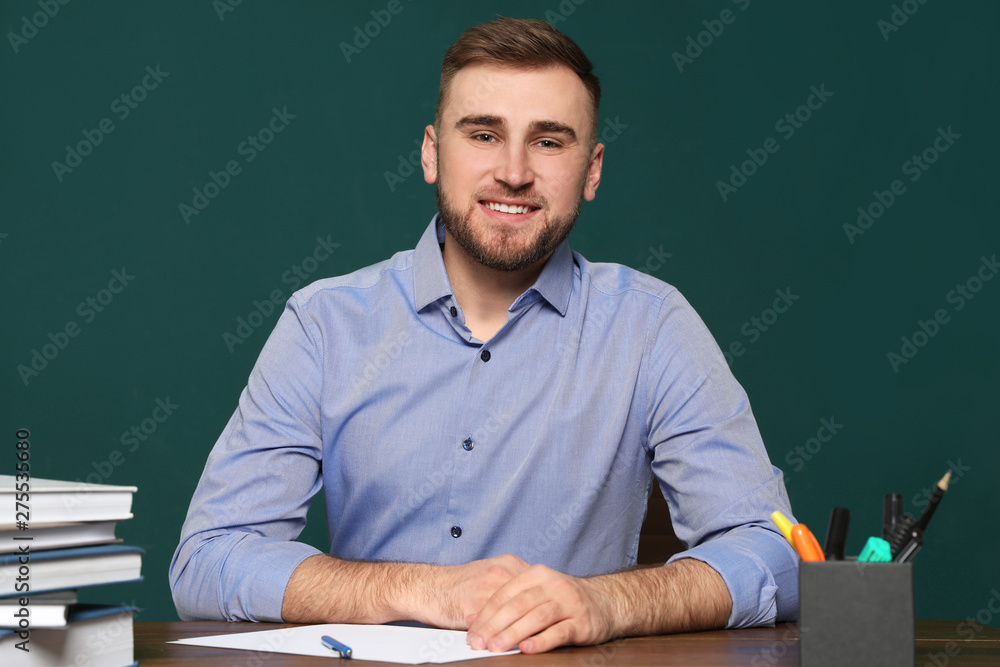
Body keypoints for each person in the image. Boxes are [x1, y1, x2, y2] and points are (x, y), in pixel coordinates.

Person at [170, 16, 798, 655]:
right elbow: (208, 562)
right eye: (483, 134)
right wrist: (423, 590)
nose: (514, 171)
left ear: (592, 169)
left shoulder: (651, 326)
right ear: (431, 152)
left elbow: (775, 553)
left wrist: (608, 602)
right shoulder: (324, 325)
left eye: (549, 142)